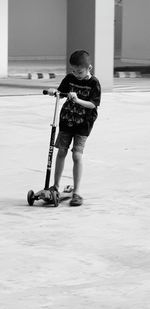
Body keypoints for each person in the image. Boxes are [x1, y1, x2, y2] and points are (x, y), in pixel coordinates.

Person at [50, 50, 101, 206]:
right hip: (67, 120)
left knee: (76, 156)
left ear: (89, 68)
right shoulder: (70, 78)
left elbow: (93, 104)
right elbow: (62, 92)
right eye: (73, 70)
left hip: (83, 124)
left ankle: (77, 192)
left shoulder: (94, 83)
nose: (76, 74)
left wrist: (78, 100)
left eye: (79, 71)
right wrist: (56, 93)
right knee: (61, 151)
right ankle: (55, 187)